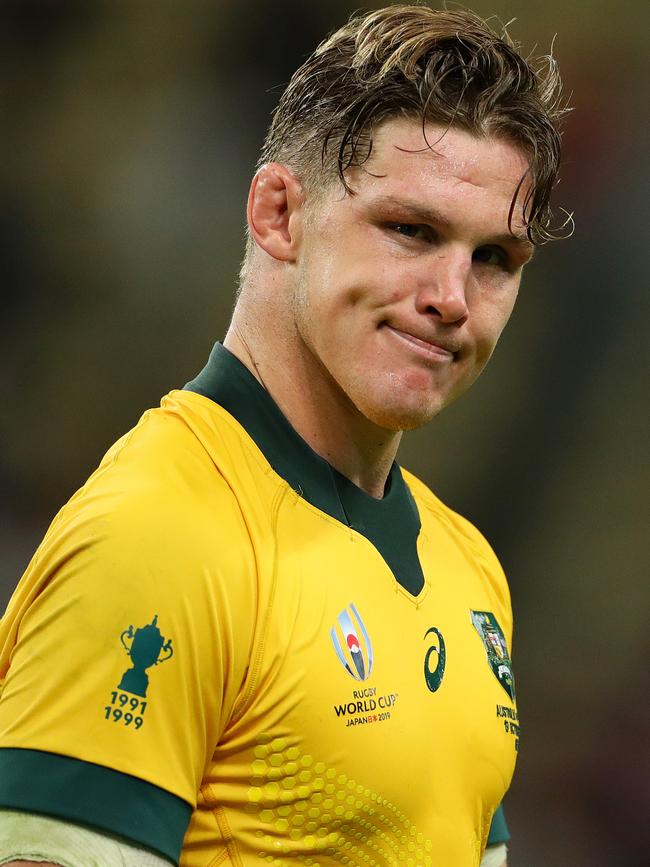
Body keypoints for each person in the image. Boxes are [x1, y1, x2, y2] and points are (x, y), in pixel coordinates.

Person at [0, 5, 569, 866]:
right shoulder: (159, 538)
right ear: (278, 213)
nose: (453, 295)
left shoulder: (469, 568)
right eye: (412, 230)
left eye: (494, 258)